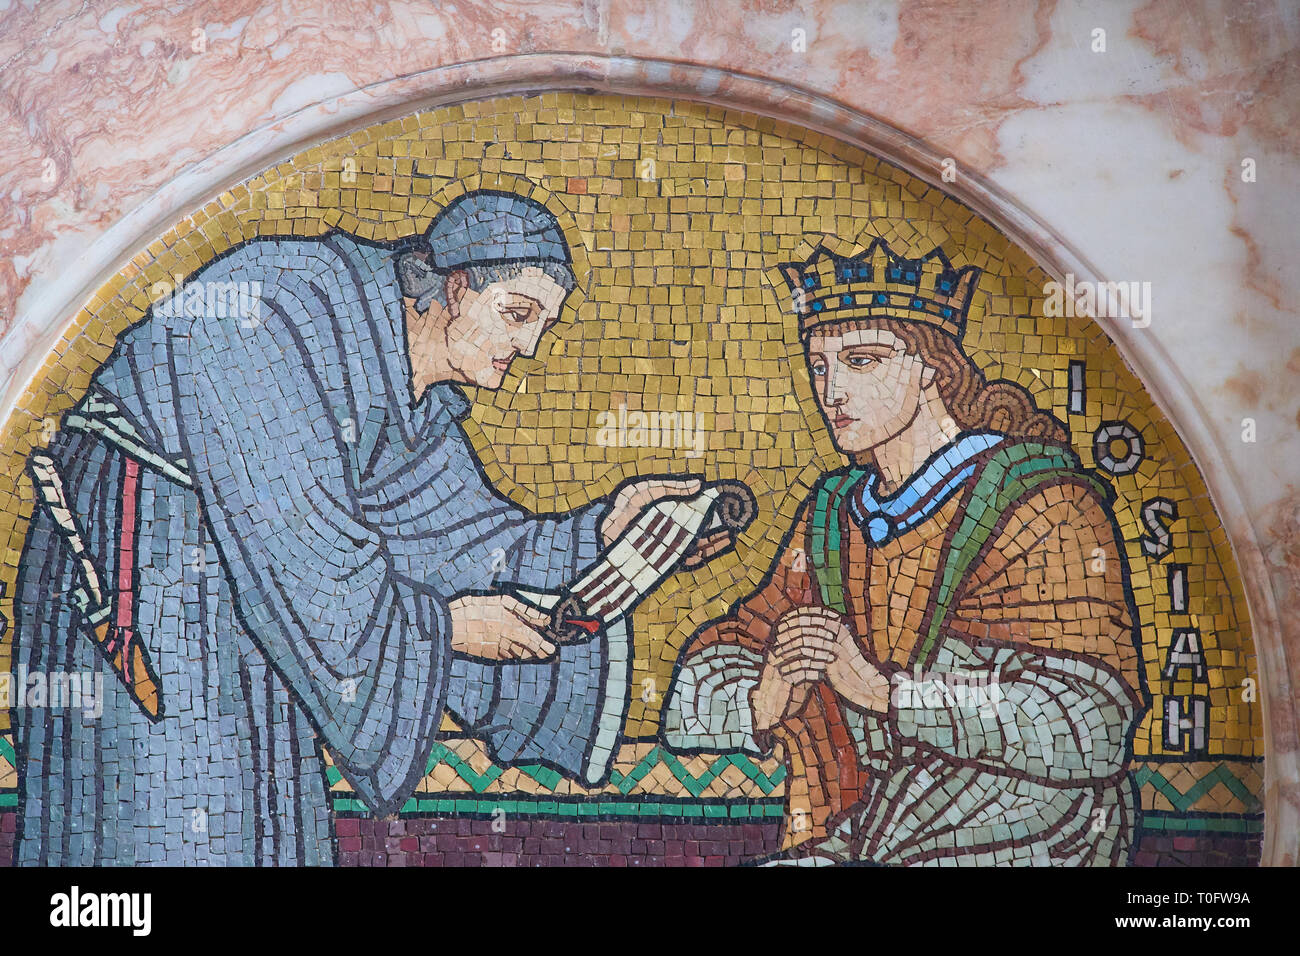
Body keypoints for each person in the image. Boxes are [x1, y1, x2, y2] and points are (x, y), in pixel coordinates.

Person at [13, 189, 728, 865]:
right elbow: (304, 551)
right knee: (171, 823)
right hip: (151, 577)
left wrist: (607, 535)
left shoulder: (410, 392)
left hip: (243, 616)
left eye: (541, 324)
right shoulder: (287, 308)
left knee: (266, 830)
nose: (530, 346)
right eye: (517, 313)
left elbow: (469, 546)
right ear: (455, 287)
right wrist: (446, 632)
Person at [663, 237, 1148, 865]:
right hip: (871, 827)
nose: (831, 390)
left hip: (1018, 831)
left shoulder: (1040, 503)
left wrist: (884, 692)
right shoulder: (837, 515)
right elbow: (701, 688)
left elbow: (1094, 722)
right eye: (819, 366)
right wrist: (766, 692)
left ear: (930, 367)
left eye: (862, 360)